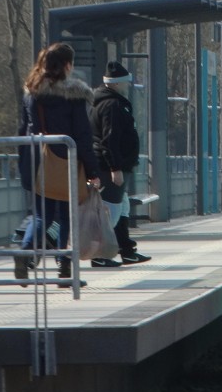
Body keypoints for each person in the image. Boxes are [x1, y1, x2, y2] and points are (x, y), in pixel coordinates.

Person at [15, 43, 109, 284]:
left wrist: (25, 165)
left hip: (39, 163)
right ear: (68, 65)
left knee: (41, 216)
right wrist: (93, 171)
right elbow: (83, 136)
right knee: (68, 215)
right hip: (68, 163)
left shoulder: (32, 93)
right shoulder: (74, 96)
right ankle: (65, 267)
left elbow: (23, 129)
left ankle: (25, 252)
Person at [88, 61, 150, 267]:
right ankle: (99, 254)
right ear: (117, 83)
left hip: (113, 164)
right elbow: (110, 139)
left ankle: (126, 250)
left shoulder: (106, 101)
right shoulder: (112, 105)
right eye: (126, 82)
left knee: (121, 206)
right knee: (111, 211)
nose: (128, 85)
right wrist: (115, 168)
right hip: (109, 167)